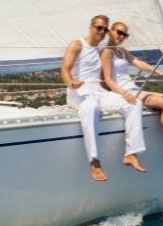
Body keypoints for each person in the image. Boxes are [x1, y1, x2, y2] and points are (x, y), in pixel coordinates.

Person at [61, 15, 147, 181]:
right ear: (91, 27)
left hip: (98, 91)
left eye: (105, 29)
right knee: (91, 106)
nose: (101, 31)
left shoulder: (102, 51)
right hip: (78, 92)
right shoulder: (77, 44)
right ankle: (94, 162)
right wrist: (71, 82)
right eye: (98, 27)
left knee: (134, 102)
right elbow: (65, 69)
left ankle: (131, 153)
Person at [100, 21, 163, 170]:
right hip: (125, 92)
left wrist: (160, 73)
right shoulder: (106, 52)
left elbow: (139, 63)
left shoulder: (121, 51)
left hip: (134, 88)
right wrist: (124, 94)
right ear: (111, 31)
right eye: (119, 32)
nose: (121, 36)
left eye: (125, 34)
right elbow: (109, 81)